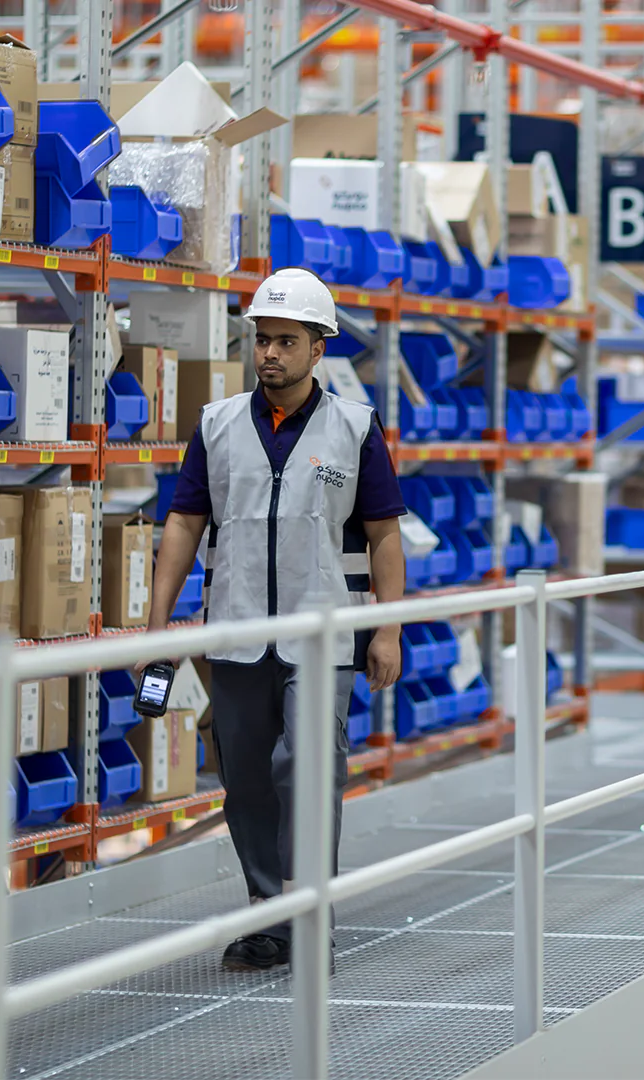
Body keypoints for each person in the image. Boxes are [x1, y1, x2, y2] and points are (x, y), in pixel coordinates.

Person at [148, 267, 407, 971]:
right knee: (249, 781)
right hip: (234, 634)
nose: (269, 354)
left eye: (286, 341)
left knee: (309, 767)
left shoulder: (354, 427)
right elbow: (182, 522)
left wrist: (388, 628)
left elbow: (384, 532)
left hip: (321, 635)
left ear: (318, 348)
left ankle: (307, 911)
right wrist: (156, 621)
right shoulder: (219, 424)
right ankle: (269, 915)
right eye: (262, 340)